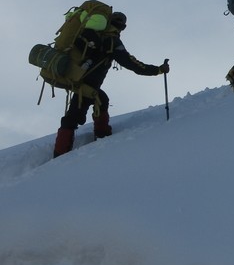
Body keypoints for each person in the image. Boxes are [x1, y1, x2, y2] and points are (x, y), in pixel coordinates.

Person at [53, 11, 169, 158]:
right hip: (88, 85)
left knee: (99, 101)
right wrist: (158, 70)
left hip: (77, 79)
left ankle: (100, 137)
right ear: (123, 27)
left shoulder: (93, 34)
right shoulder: (112, 41)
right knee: (76, 115)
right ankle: (67, 153)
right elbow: (132, 64)